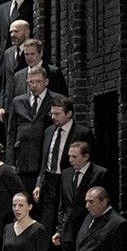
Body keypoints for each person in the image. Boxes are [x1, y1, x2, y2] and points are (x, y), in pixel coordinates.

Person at [33, 96, 91, 224]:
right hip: (49, 181)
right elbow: (44, 160)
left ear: (69, 114)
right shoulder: (48, 131)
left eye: (57, 114)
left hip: (68, 181)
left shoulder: (82, 133)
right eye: (51, 113)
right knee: (47, 221)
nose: (53, 117)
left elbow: (89, 162)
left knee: (66, 219)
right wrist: (39, 183)